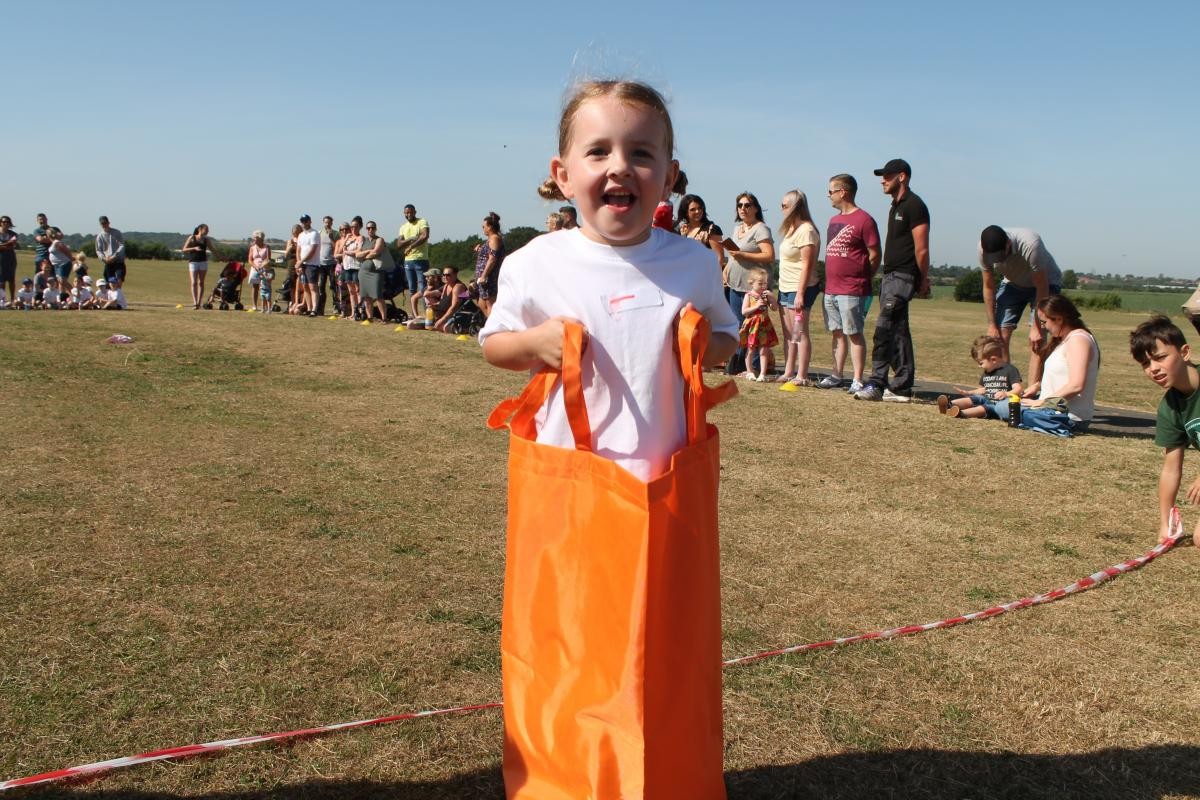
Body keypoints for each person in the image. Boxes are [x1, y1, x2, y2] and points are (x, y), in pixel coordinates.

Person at [482, 81, 737, 797]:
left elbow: (723, 336)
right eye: (598, 151)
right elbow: (494, 345)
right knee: (570, 648)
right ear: (563, 173)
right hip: (570, 487)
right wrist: (534, 342)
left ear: (670, 174)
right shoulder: (537, 261)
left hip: (668, 487)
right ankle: (565, 780)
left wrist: (703, 346)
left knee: (664, 649)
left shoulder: (690, 262)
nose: (619, 166)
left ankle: (669, 778)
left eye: (641, 152)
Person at [855, 158, 930, 402]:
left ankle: (876, 383)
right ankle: (901, 388)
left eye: (887, 176)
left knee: (883, 329)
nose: (882, 180)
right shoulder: (895, 206)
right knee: (898, 332)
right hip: (890, 276)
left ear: (902, 176)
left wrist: (923, 279)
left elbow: (922, 249)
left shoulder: (914, 205)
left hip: (904, 276)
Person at [1129, 315, 1200, 544]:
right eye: (1146, 364)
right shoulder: (1170, 407)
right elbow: (1171, 469)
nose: (1153, 369)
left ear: (1185, 352)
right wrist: (1165, 524)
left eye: (1160, 358)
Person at [1000, 295, 1099, 437]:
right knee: (1000, 402)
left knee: (1002, 405)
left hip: (1067, 417)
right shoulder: (1069, 338)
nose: (1043, 327)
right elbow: (1064, 376)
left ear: (1059, 318)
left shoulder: (1078, 340)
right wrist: (1038, 386)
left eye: (1044, 322)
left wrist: (1042, 402)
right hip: (1053, 410)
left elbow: (1076, 385)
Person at [979, 225, 1064, 384]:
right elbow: (989, 286)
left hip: (1046, 284)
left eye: (1000, 256)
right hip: (1013, 283)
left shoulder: (1031, 244)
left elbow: (1042, 286)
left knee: (1037, 341)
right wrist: (992, 324)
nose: (997, 261)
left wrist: (1037, 327)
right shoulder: (983, 250)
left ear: (1008, 244)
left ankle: (1033, 394)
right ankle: (1005, 391)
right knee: (998, 336)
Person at [819, 174, 880, 392]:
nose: (828, 196)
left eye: (831, 191)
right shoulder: (833, 220)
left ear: (843, 192)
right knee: (837, 333)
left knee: (854, 333)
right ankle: (836, 375)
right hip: (831, 288)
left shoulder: (865, 220)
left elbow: (875, 254)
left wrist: (864, 277)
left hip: (852, 289)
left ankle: (857, 379)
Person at [723, 192, 775, 376]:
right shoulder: (737, 229)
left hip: (753, 287)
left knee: (755, 325)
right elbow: (733, 254)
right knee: (739, 324)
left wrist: (744, 255)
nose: (743, 208)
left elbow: (769, 255)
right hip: (735, 284)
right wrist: (726, 269)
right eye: (740, 205)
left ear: (755, 208)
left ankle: (754, 367)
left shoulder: (761, 228)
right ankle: (739, 363)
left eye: (747, 205)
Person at [775, 190, 821, 385]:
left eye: (785, 205)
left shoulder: (806, 230)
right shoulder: (791, 230)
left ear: (796, 207)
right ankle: (788, 371)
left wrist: (800, 293)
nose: (782, 209)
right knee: (788, 333)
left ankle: (801, 375)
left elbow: (807, 264)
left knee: (799, 332)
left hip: (799, 287)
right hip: (785, 286)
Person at [936, 335, 1023, 419]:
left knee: (983, 408)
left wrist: (1006, 394)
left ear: (993, 360)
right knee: (976, 398)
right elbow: (983, 390)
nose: (979, 366)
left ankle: (961, 413)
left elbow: (1018, 389)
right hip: (987, 399)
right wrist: (969, 393)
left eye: (981, 363)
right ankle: (949, 405)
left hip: (999, 406)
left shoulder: (1010, 370)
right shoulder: (987, 372)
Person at [740, 267, 779, 381]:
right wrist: (756, 306)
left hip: (764, 325)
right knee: (751, 349)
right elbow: (744, 312)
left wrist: (772, 298)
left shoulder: (765, 295)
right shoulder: (749, 295)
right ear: (752, 283)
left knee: (764, 350)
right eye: (760, 283)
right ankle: (749, 371)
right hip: (752, 325)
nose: (763, 286)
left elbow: (775, 308)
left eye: (765, 284)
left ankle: (762, 373)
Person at [675, 194, 725, 275]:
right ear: (686, 212)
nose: (697, 211)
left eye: (699, 208)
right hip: (684, 275)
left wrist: (711, 276)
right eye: (692, 209)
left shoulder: (711, 229)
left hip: (705, 276)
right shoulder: (679, 228)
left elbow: (719, 258)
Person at [397, 204, 431, 318]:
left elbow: (424, 236)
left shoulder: (422, 222)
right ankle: (414, 314)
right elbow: (399, 244)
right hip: (408, 261)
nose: (408, 214)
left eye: (411, 212)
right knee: (412, 289)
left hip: (421, 260)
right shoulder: (403, 227)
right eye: (406, 213)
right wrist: (411, 239)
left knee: (423, 289)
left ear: (415, 212)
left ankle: (427, 315)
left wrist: (411, 246)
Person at [357, 220, 395, 322]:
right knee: (366, 296)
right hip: (363, 272)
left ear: (376, 229)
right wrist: (368, 251)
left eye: (373, 228)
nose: (370, 230)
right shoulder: (363, 240)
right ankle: (370, 317)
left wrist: (364, 256)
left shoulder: (379, 239)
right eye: (368, 228)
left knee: (378, 295)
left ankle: (384, 318)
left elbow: (376, 252)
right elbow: (357, 254)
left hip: (375, 272)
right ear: (366, 229)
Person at [474, 211, 505, 317]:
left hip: (489, 277)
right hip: (484, 278)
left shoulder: (494, 238)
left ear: (490, 227)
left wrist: (484, 275)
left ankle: (494, 328)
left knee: (489, 303)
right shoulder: (491, 239)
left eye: (484, 227)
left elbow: (492, 258)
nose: (483, 229)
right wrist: (480, 250)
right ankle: (490, 326)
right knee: (481, 303)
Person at [182, 224, 216, 309]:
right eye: (206, 229)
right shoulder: (192, 237)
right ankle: (194, 302)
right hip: (193, 262)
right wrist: (194, 248)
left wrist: (222, 256)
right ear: (200, 229)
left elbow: (212, 249)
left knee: (201, 282)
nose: (208, 231)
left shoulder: (206, 240)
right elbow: (184, 249)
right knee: (194, 282)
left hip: (203, 262)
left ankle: (199, 303)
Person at [296, 214, 321, 316]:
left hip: (312, 264)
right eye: (302, 221)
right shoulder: (301, 235)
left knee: (313, 287)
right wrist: (299, 263)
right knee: (305, 287)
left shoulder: (314, 233)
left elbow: (312, 250)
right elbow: (298, 250)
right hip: (303, 264)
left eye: (306, 221)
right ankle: (309, 308)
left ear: (310, 221)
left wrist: (301, 262)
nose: (304, 223)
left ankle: (314, 309)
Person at [340, 217, 364, 319]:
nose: (353, 228)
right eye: (352, 227)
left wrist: (347, 252)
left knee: (358, 290)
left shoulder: (360, 238)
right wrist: (346, 239)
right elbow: (340, 250)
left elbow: (358, 252)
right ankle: (353, 312)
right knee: (351, 291)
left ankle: (360, 311)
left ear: (360, 227)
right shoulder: (348, 239)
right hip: (347, 266)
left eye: (356, 227)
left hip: (356, 266)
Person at [315, 215, 339, 315]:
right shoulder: (319, 233)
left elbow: (337, 247)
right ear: (323, 222)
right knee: (321, 287)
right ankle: (320, 309)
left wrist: (332, 238)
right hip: (321, 264)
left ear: (332, 223)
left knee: (334, 286)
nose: (327, 224)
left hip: (332, 264)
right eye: (326, 222)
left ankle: (336, 307)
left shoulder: (336, 233)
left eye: (329, 222)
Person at [433, 265, 469, 331]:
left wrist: (441, 320)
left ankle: (462, 329)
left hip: (457, 316)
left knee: (444, 328)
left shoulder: (458, 287)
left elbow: (454, 307)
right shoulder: (446, 285)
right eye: (443, 275)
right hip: (443, 316)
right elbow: (446, 302)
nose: (445, 277)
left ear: (455, 275)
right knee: (412, 324)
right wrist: (436, 305)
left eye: (448, 275)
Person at [95, 216, 127, 284]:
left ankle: (118, 293)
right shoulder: (99, 236)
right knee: (110, 282)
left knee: (119, 279)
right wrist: (104, 258)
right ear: (100, 224)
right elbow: (98, 250)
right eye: (102, 224)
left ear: (109, 223)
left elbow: (122, 245)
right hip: (108, 262)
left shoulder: (117, 232)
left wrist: (115, 256)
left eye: (105, 223)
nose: (104, 225)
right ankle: (112, 293)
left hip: (118, 261)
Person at [0, 215, 18, 302]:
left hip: (11, 259)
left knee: (11, 280)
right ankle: (2, 299)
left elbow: (13, 246)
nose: (6, 224)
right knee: (1, 281)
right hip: (1, 259)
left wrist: (3, 245)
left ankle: (12, 299)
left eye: (8, 222)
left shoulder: (13, 234)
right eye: (4, 222)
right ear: (0, 223)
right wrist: (9, 243)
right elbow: (10, 244)